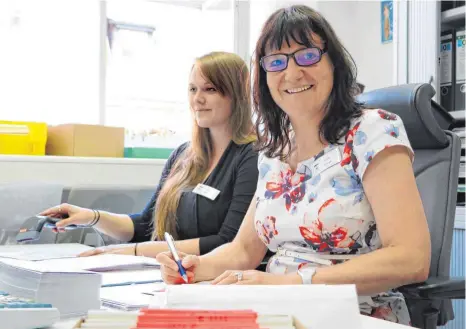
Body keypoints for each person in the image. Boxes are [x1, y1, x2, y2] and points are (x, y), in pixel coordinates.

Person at [156, 5, 431, 325]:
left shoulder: (372, 131)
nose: (292, 72)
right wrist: (195, 266)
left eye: (307, 55)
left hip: (353, 312)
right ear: (265, 79)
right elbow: (244, 251)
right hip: (277, 308)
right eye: (276, 61)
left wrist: (290, 284)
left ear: (334, 63)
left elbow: (411, 258)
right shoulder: (274, 150)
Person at [41, 51, 259, 261]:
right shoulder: (182, 155)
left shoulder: (253, 157)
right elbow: (146, 225)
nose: (197, 99)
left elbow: (228, 243)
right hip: (173, 273)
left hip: (216, 279)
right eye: (193, 89)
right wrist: (91, 217)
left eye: (210, 89)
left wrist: (133, 251)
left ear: (236, 94)